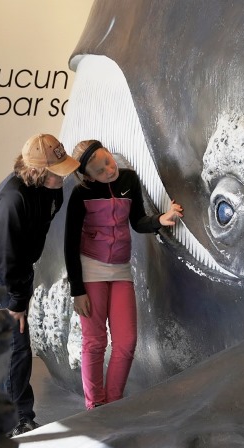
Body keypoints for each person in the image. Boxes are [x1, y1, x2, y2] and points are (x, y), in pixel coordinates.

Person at [0, 133, 80, 437]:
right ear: (38, 171)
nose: (65, 175)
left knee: (9, 342)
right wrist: (16, 302)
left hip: (19, 266)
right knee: (17, 343)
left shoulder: (51, 190)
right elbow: (6, 257)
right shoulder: (12, 199)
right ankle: (18, 419)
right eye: (58, 170)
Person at [65, 140, 183, 410]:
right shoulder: (80, 194)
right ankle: (95, 406)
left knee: (127, 342)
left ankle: (113, 405)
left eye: (108, 161)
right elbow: (69, 244)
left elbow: (138, 221)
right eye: (100, 171)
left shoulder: (129, 178)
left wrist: (159, 220)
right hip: (90, 270)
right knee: (95, 342)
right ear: (88, 176)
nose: (109, 170)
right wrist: (77, 290)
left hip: (120, 269)